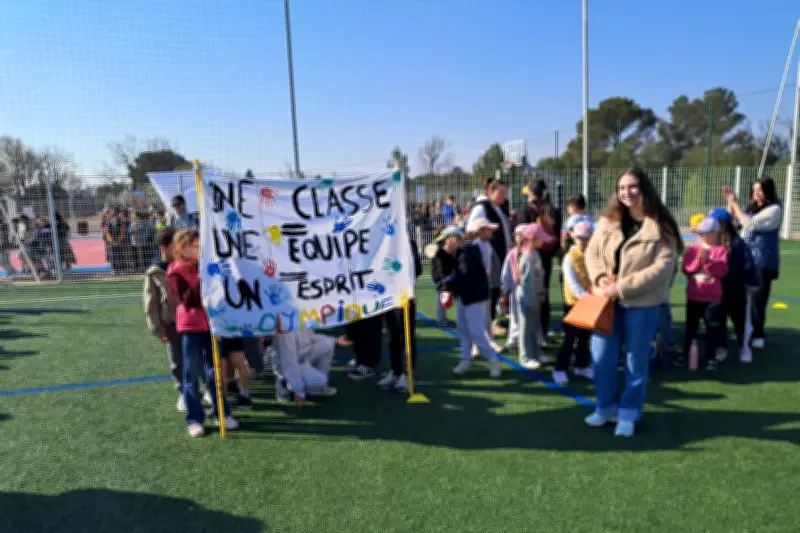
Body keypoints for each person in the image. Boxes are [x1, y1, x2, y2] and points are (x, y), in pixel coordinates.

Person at [584, 168, 681, 438]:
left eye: (633, 186)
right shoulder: (608, 220)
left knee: (635, 362)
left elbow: (662, 268)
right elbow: (592, 252)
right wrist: (600, 278)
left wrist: (621, 288)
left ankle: (628, 412)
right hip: (605, 301)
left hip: (642, 304)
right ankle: (605, 407)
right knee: (601, 357)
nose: (626, 192)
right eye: (622, 187)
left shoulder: (661, 226)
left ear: (644, 188)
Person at [166, 229, 238, 437]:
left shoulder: (205, 264)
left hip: (211, 325)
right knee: (191, 374)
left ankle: (222, 413)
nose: (199, 250)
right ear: (182, 248)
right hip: (191, 328)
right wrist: (202, 276)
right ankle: (194, 419)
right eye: (194, 246)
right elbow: (188, 300)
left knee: (214, 372)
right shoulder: (175, 271)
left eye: (200, 245)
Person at [437, 225, 502, 378]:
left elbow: (465, 273)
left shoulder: (467, 250)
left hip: (474, 297)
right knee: (463, 328)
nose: (444, 245)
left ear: (453, 239)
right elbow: (461, 274)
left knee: (476, 330)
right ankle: (465, 360)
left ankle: (493, 359)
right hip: (467, 296)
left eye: (445, 241)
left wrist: (448, 284)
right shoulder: (464, 250)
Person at [723, 177, 781, 349]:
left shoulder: (774, 209)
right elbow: (732, 220)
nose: (757, 193)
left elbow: (751, 224)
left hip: (762, 261)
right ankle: (743, 330)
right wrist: (731, 202)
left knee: (758, 299)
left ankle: (758, 333)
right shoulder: (750, 208)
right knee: (740, 297)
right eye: (755, 190)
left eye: (760, 190)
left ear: (768, 191)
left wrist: (735, 205)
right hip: (744, 260)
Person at [707, 207, 759, 363]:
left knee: (739, 319)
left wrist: (752, 281)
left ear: (724, 224)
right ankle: (721, 347)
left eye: (716, 223)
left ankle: (744, 346)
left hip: (736, 289)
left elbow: (748, 263)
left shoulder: (738, 243)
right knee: (718, 319)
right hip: (717, 289)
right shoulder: (711, 242)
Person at [677, 217, 729, 371]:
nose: (702, 236)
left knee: (712, 328)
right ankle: (686, 354)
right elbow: (687, 268)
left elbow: (721, 271)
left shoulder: (720, 250)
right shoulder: (693, 250)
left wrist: (708, 261)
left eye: (705, 233)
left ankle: (711, 357)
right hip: (694, 295)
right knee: (691, 328)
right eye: (700, 233)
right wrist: (698, 260)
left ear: (715, 233)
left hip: (712, 297)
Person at [143, 228, 185, 411]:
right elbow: (151, 303)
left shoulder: (187, 264)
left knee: (199, 358)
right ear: (164, 248)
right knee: (177, 361)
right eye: (174, 245)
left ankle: (208, 389)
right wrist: (157, 327)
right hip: (172, 324)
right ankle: (183, 393)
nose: (179, 248)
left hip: (192, 322)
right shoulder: (155, 272)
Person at [517, 180, 561, 345]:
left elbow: (520, 235)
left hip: (529, 256)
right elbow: (556, 238)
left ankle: (528, 333)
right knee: (543, 294)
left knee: (527, 294)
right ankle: (543, 333)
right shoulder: (554, 211)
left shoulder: (526, 210)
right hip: (546, 258)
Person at [377, 235, 423, 393]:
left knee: (406, 336)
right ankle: (395, 370)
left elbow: (417, 269)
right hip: (388, 297)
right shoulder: (381, 242)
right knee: (392, 336)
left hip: (404, 297)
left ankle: (407, 373)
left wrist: (397, 267)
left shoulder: (408, 242)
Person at [554, 220, 595, 385]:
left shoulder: (592, 255)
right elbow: (572, 284)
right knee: (571, 338)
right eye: (579, 238)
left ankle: (581, 365)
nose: (582, 241)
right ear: (574, 238)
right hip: (574, 304)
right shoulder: (569, 258)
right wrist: (586, 297)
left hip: (588, 302)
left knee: (585, 336)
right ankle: (559, 369)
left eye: (586, 238)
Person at [467, 179, 512, 327]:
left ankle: (491, 320)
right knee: (490, 290)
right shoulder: (481, 208)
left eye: (505, 192)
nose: (504, 196)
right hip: (489, 258)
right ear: (491, 191)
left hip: (500, 255)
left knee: (496, 288)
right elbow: (471, 230)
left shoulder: (499, 208)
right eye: (501, 192)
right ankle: (486, 323)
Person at [272, 331, 352, 404]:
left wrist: (335, 341)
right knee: (318, 379)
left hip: (302, 356)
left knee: (328, 345)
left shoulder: (301, 322)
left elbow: (311, 336)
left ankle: (316, 388)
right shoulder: (284, 330)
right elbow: (287, 361)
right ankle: (284, 388)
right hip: (287, 363)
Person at [515, 223, 551, 370]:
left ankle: (535, 353)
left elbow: (539, 277)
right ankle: (525, 357)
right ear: (532, 239)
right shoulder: (526, 258)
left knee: (535, 327)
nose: (543, 241)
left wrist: (541, 293)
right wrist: (531, 302)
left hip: (535, 296)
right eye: (540, 238)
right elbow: (526, 284)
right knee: (526, 328)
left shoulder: (535, 255)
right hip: (526, 298)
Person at [469, 217, 504, 355]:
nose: (491, 232)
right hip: (477, 286)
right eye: (488, 230)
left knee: (486, 316)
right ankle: (476, 345)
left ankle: (488, 341)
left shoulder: (487, 245)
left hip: (485, 285)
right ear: (480, 231)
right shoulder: (475, 246)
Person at [500, 225, 528, 352]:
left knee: (529, 315)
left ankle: (530, 339)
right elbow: (506, 273)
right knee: (515, 315)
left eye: (522, 235)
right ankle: (513, 339)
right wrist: (505, 289)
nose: (520, 238)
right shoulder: (512, 253)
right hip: (515, 289)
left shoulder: (531, 252)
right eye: (517, 235)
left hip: (529, 289)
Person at [431, 227, 458, 328]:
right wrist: (443, 281)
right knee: (441, 298)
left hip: (447, 277)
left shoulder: (448, 251)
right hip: (441, 278)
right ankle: (441, 320)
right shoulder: (439, 251)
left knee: (445, 298)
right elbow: (440, 268)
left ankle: (443, 319)